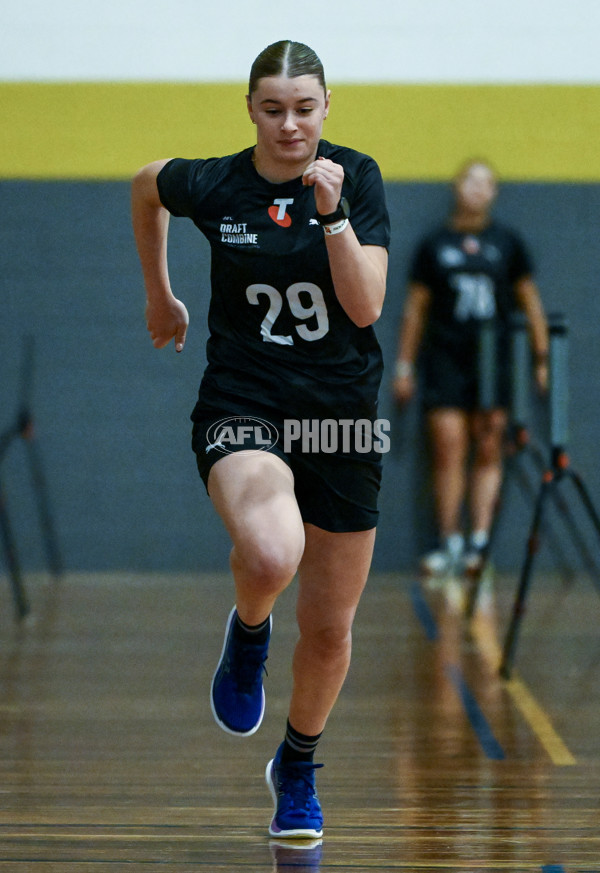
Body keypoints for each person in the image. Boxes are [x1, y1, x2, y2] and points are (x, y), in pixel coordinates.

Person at [131, 40, 390, 839]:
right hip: (245, 400)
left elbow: (366, 306)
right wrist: (161, 295)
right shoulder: (215, 182)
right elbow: (147, 186)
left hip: (340, 415)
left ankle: (298, 765)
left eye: (304, 108)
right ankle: (248, 634)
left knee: (330, 626)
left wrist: (333, 214)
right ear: (250, 108)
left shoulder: (358, 176)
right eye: (273, 109)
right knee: (274, 552)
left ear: (326, 106)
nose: (289, 125)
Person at [393, 159, 548, 577]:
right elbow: (415, 309)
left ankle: (480, 542)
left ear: (494, 192)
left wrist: (541, 358)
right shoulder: (434, 245)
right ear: (456, 186)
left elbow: (530, 303)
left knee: (489, 445)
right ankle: (450, 542)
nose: (478, 189)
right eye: (471, 180)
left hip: (492, 361)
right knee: (448, 447)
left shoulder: (507, 243)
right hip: (445, 359)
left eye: (487, 183)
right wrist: (404, 366)